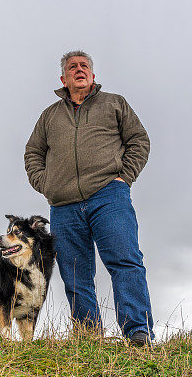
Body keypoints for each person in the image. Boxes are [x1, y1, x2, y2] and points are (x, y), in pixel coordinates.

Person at [24, 50, 154, 346]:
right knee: (74, 274)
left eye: (84, 66)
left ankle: (138, 334)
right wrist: (47, 184)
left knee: (125, 261)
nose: (79, 70)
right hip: (63, 205)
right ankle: (88, 338)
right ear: (63, 78)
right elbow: (33, 153)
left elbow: (138, 140)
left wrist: (125, 177)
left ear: (93, 75)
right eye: (72, 67)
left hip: (109, 195)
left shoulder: (114, 103)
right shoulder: (49, 116)